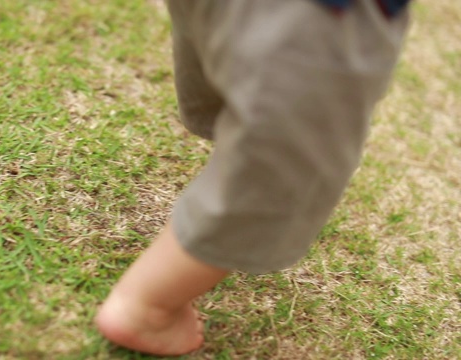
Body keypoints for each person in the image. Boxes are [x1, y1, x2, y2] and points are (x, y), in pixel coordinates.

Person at [95, 0, 411, 356]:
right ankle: (147, 308)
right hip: (321, 15)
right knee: (283, 171)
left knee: (239, 67)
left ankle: (246, 138)